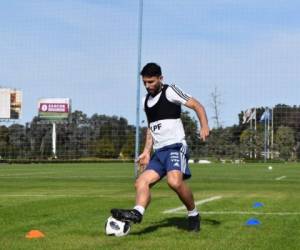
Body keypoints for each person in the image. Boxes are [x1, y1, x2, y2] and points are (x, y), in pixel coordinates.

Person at [111, 62, 209, 232]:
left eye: (151, 82)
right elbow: (151, 127)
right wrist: (146, 152)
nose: (148, 86)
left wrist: (204, 126)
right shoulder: (145, 102)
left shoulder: (170, 91)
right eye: (145, 83)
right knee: (141, 182)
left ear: (160, 78)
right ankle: (138, 212)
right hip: (159, 152)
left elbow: (197, 106)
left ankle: (193, 214)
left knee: (174, 182)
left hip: (175, 147)